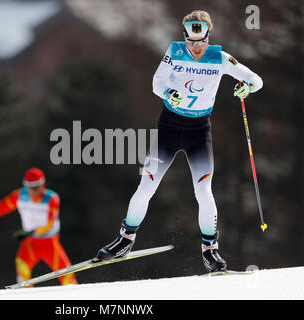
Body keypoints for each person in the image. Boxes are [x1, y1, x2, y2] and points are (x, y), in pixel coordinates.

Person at [96, 10, 263, 272]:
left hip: (199, 131)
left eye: (201, 42)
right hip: (170, 127)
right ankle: (125, 240)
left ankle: (210, 251)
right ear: (184, 36)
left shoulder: (220, 58)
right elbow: (156, 82)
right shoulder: (174, 51)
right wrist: (168, 92)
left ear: (208, 37)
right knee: (147, 184)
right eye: (191, 42)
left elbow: (256, 80)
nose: (196, 48)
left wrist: (247, 87)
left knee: (203, 191)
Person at [0, 167, 78, 285]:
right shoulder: (20, 196)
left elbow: (50, 223)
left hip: (50, 243)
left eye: (36, 187)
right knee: (22, 275)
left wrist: (32, 232)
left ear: (43, 184)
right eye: (30, 188)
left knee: (68, 278)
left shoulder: (51, 198)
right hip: (30, 244)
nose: (34, 191)